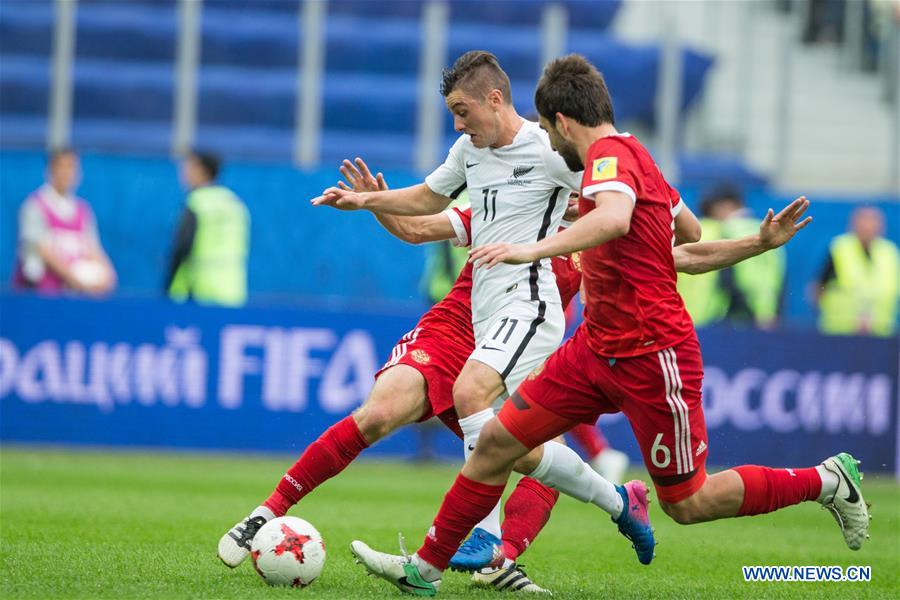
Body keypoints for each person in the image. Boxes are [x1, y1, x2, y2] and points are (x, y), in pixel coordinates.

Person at [348, 55, 866, 598]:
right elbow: (686, 241)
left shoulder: (611, 159)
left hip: (653, 355)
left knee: (688, 503)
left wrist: (532, 248)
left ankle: (826, 481)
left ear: (563, 123)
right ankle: (425, 570)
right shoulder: (634, 161)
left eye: (546, 130)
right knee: (497, 440)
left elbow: (617, 220)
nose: (545, 142)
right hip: (595, 349)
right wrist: (756, 243)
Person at [312, 51, 682, 570]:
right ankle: (620, 501)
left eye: (462, 111)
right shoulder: (470, 155)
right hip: (489, 311)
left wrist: (602, 209)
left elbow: (629, 199)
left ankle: (479, 539)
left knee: (471, 394)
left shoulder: (552, 152)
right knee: (519, 445)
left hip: (534, 304)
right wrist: (370, 202)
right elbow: (425, 205)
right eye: (452, 115)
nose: (458, 124)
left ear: (494, 98)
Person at [678, 184, 786, 328]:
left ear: (727, 205)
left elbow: (727, 274)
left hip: (729, 317)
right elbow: (780, 279)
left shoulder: (724, 230)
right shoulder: (769, 233)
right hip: (764, 318)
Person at [13, 147, 116, 296]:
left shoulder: (83, 210)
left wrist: (108, 275)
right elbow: (39, 249)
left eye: (71, 167)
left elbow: (92, 248)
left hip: (74, 295)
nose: (66, 173)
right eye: (62, 167)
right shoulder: (35, 206)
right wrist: (73, 278)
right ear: (51, 170)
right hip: (41, 295)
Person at [165, 151, 250, 307]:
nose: (184, 174)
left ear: (201, 170)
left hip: (198, 290)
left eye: (189, 168)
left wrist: (167, 286)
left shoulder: (197, 203)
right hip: (232, 290)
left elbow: (182, 247)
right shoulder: (235, 204)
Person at [816, 205, 898, 336]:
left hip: (881, 332)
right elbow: (817, 287)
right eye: (864, 222)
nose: (868, 227)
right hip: (840, 331)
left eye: (872, 222)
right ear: (853, 225)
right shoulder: (839, 248)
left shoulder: (889, 252)